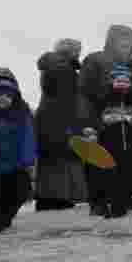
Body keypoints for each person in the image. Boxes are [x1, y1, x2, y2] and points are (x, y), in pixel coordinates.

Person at [79, 24, 132, 216]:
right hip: (101, 122)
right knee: (99, 162)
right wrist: (87, 123)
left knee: (130, 163)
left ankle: (125, 201)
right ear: (111, 43)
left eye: (129, 43)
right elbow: (84, 94)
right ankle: (98, 202)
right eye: (120, 43)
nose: (125, 47)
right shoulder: (94, 61)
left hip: (131, 124)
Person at [34, 39, 90, 211]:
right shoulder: (64, 69)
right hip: (59, 120)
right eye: (77, 51)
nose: (78, 53)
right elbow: (69, 99)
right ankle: (58, 199)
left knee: (52, 159)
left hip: (47, 119)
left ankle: (49, 198)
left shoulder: (53, 66)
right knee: (61, 158)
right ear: (70, 52)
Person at [96, 61, 132, 218]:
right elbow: (99, 123)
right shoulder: (105, 100)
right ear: (111, 81)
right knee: (114, 178)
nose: (121, 84)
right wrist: (99, 140)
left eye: (125, 80)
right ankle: (117, 207)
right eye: (117, 80)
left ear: (130, 82)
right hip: (112, 145)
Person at [0, 69, 35, 232]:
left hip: (13, 165)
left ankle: (3, 218)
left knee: (20, 188)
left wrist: (28, 160)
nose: (3, 99)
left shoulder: (21, 113)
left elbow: (28, 137)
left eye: (8, 96)